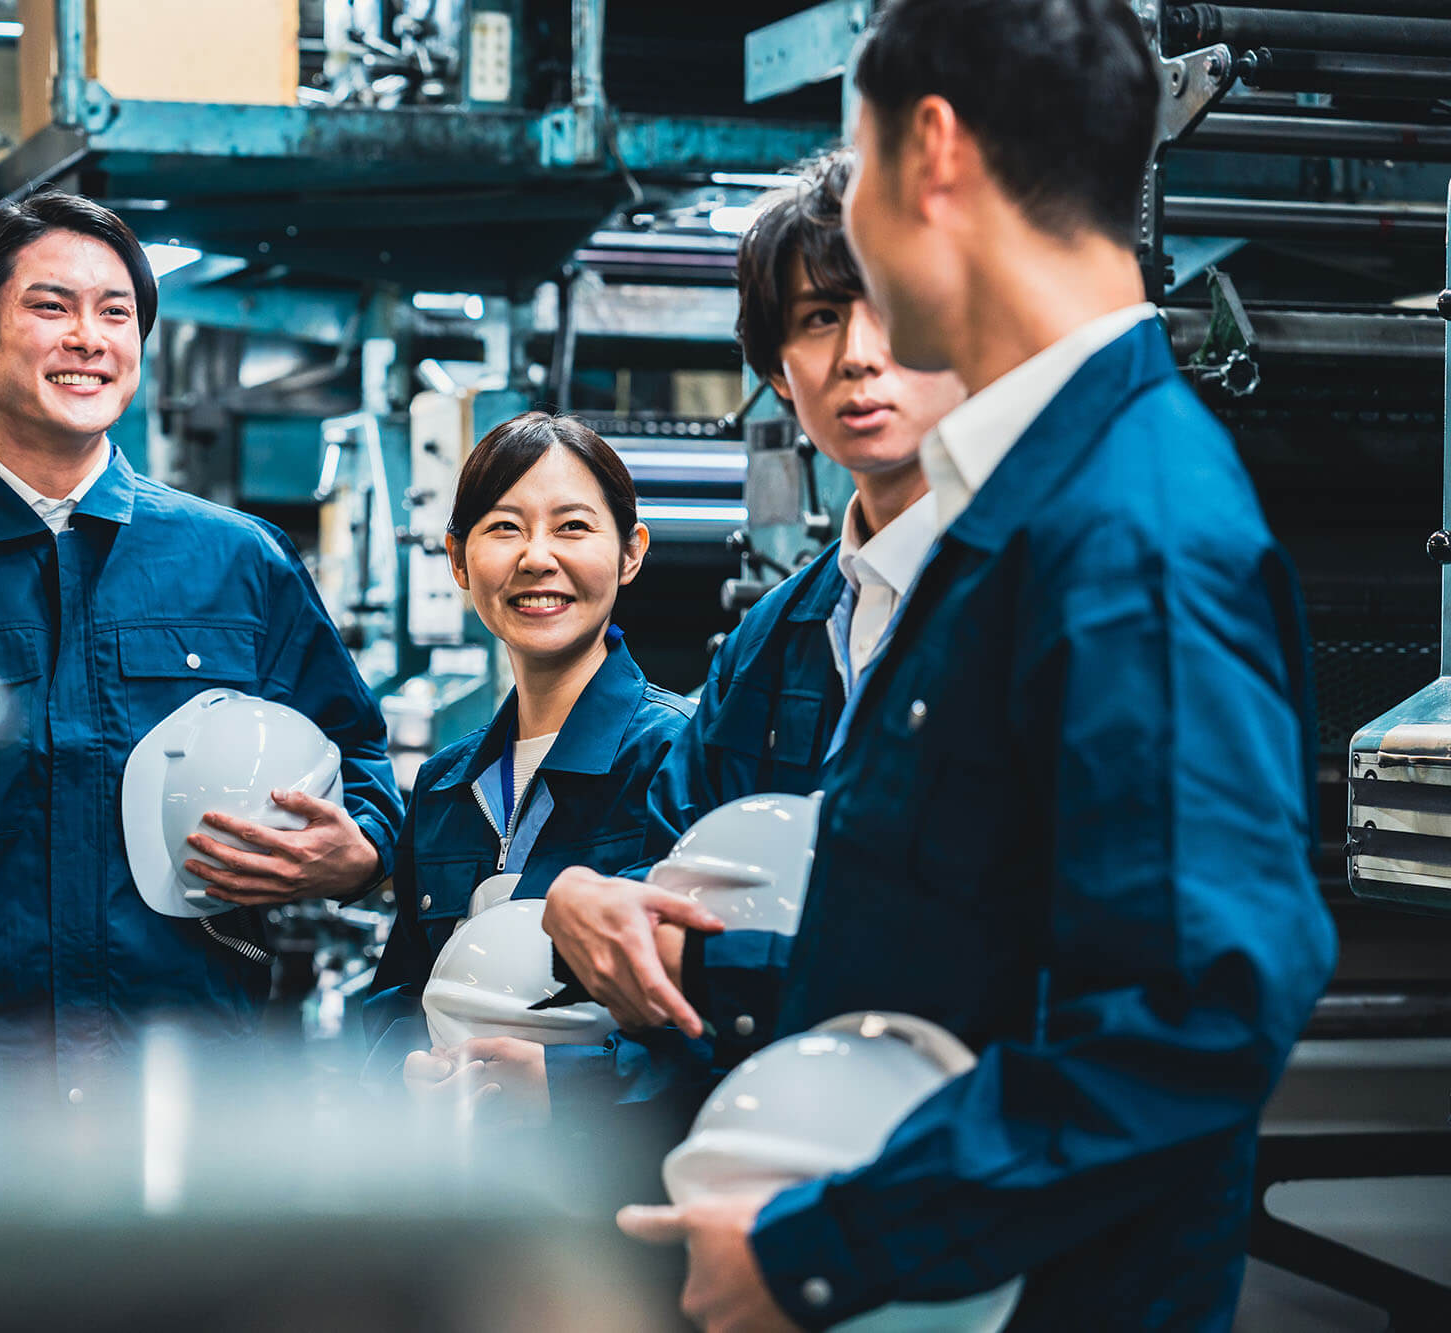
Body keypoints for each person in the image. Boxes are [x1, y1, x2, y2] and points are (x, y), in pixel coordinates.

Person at [599, 2, 1338, 1329]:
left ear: (929, 156)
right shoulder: (1017, 507)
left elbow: (1191, 1018)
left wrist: (827, 1247)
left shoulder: (1128, 531)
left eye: (860, 166)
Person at [0, 190, 401, 1090]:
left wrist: (358, 852)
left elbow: (358, 759)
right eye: (51, 307)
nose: (90, 337)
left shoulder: (239, 564)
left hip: (197, 1081)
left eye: (116, 313)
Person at [541, 147, 965, 1041]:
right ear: (778, 371)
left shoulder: (1034, 601)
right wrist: (579, 901)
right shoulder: (772, 642)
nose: (857, 355)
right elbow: (664, 878)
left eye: (891, 307)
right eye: (818, 318)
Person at [360, 411, 692, 1122]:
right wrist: (404, 1071)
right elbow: (397, 998)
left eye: (572, 526)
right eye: (505, 527)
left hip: (617, 1187)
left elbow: (732, 1020)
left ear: (631, 552)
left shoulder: (678, 758)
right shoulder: (447, 787)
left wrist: (566, 1082)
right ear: (457, 558)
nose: (537, 556)